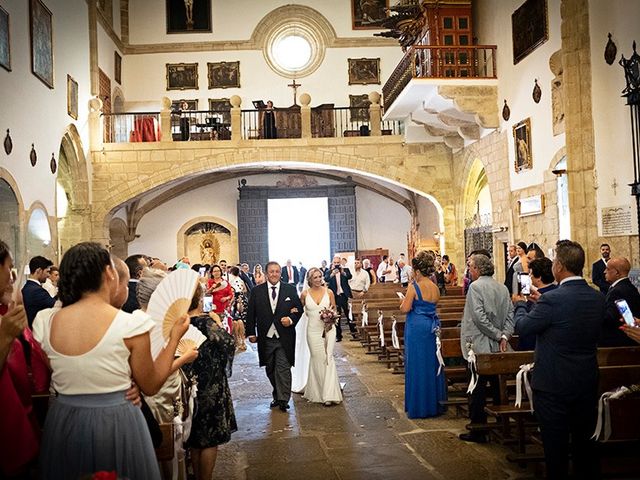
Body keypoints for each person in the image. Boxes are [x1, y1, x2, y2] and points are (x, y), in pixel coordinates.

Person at [34, 242, 190, 480]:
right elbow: (150, 384)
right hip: (117, 419)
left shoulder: (45, 321)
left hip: (64, 418)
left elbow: (58, 367)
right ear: (109, 273)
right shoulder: (130, 324)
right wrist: (175, 338)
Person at [513, 240, 604, 479]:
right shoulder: (596, 297)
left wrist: (522, 305)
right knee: (584, 444)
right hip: (586, 379)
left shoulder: (553, 300)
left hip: (554, 383)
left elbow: (523, 327)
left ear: (560, 266)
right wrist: (538, 305)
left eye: (554, 261)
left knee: (556, 448)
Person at [0, 240, 47, 477]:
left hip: (22, 420)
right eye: (9, 268)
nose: (12, 278)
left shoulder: (5, 311)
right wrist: (5, 337)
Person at [459, 253, 514, 443]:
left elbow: (479, 317)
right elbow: (509, 315)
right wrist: (505, 335)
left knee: (476, 388)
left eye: (471, 267)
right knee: (498, 385)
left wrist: (499, 335)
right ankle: (501, 424)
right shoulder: (502, 287)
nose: (469, 270)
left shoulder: (475, 287)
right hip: (498, 346)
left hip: (479, 345)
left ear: (478, 269)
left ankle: (478, 429)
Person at [184, 284, 237, 480]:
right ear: (199, 299)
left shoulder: (178, 323)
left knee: (195, 437)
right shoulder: (206, 323)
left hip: (188, 384)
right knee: (209, 439)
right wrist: (219, 323)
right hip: (210, 385)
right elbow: (228, 344)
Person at [245, 262, 303, 412]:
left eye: (277, 271)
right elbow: (250, 313)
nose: (274, 274)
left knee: (283, 367)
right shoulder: (257, 291)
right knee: (270, 368)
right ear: (266, 273)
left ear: (280, 273)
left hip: (285, 336)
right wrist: (251, 332)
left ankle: (284, 399)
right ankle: (277, 395)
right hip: (266, 337)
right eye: (271, 271)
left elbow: (298, 309)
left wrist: (290, 319)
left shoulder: (289, 289)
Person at [400, 251, 447, 419]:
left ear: (417, 271)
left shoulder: (414, 287)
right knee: (431, 362)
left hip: (417, 327)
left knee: (417, 364)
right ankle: (434, 404)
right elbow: (432, 305)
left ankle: (420, 406)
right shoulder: (435, 287)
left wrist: (403, 301)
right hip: (432, 326)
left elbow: (405, 309)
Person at [299, 268, 342, 405]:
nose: (318, 279)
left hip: (328, 329)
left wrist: (330, 318)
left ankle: (330, 394)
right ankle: (319, 390)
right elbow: (301, 312)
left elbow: (334, 310)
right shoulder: (304, 294)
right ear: (309, 279)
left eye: (320, 276)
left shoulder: (329, 292)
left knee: (328, 358)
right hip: (313, 331)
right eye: (315, 277)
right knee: (317, 358)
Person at [515, 257, 556, 351]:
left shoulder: (541, 299)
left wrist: (520, 303)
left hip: (535, 346)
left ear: (539, 278)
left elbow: (524, 325)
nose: (530, 276)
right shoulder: (557, 292)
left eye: (531, 273)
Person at [599, 256, 640, 347]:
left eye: (607, 269)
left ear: (617, 272)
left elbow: (610, 318)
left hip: (618, 342)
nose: (604, 272)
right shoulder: (630, 287)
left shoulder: (617, 291)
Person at [324, 256, 354, 342]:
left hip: (344, 295)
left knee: (349, 315)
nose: (337, 264)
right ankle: (339, 335)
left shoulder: (345, 270)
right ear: (333, 263)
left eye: (338, 263)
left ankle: (354, 333)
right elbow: (326, 279)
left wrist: (343, 272)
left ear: (340, 263)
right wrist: (332, 274)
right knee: (337, 316)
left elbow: (350, 276)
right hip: (335, 296)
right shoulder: (329, 271)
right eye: (335, 263)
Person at [21, 255, 55, 327]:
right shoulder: (37, 291)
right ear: (39, 271)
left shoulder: (27, 287)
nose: (48, 275)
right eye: (47, 272)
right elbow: (56, 306)